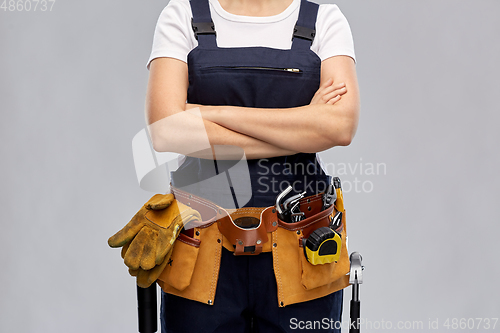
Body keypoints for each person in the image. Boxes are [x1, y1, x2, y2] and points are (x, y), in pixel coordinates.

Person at [145, 0, 360, 331]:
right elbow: (164, 131)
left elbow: (340, 127)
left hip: (302, 249)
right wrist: (301, 126)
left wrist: (211, 112)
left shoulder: (326, 20)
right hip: (202, 251)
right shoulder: (182, 15)